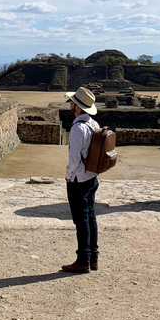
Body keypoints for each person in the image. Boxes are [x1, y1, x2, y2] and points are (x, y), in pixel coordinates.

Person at [62, 87, 101, 274]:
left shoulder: (78, 128)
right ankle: (93, 258)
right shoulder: (93, 124)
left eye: (72, 102)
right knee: (90, 217)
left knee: (81, 220)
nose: (70, 104)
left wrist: (68, 175)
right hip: (91, 177)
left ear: (77, 107)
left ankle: (83, 260)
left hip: (79, 179)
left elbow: (74, 158)